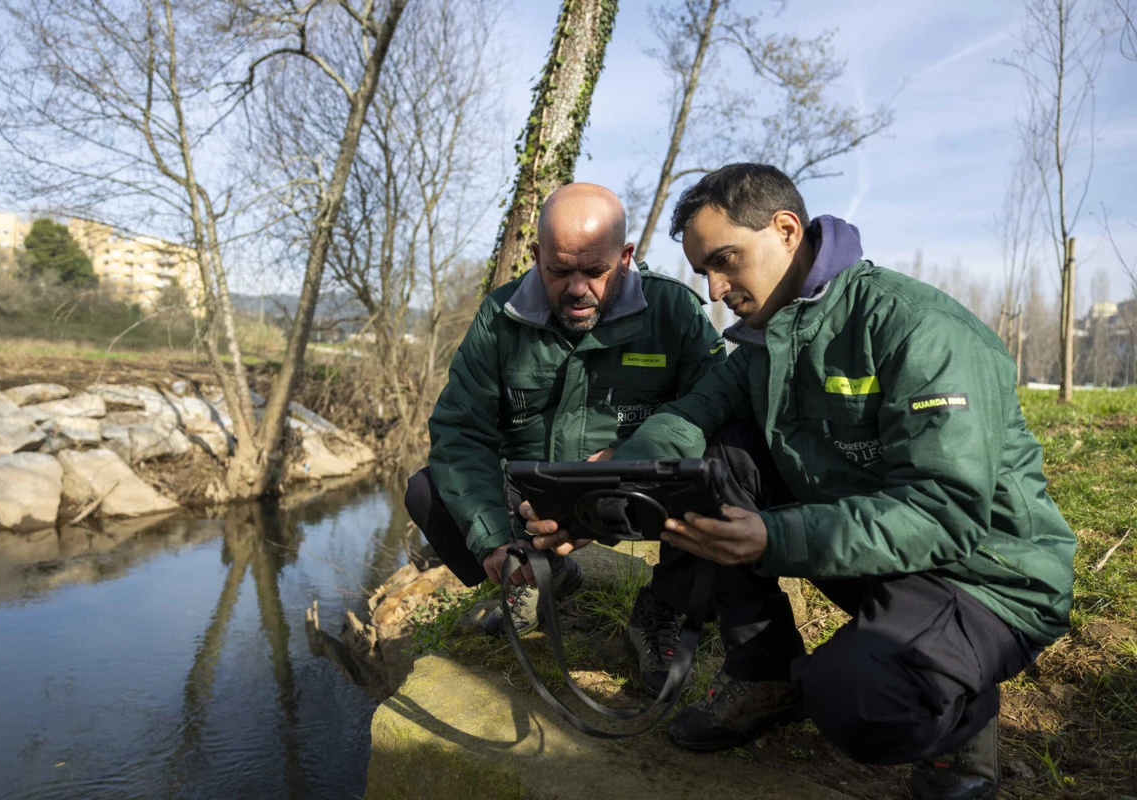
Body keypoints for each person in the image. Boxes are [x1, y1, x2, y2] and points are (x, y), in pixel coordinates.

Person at [520, 164, 1075, 800]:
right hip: (870, 546)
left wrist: (773, 536)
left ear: (786, 230)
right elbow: (689, 417)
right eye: (703, 270)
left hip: (984, 575)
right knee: (715, 461)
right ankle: (763, 674)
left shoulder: (917, 329)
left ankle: (961, 728)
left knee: (853, 699)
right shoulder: (762, 341)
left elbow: (946, 512)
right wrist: (603, 490)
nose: (714, 289)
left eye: (724, 261)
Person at [406, 182, 727, 696]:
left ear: (624, 258)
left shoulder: (675, 313)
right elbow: (460, 429)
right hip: (537, 494)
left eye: (594, 272)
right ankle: (540, 576)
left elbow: (715, 403)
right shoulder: (500, 317)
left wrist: (628, 461)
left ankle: (661, 609)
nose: (577, 289)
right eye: (559, 271)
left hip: (635, 488)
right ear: (536, 257)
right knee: (427, 492)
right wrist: (491, 537)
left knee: (720, 473)